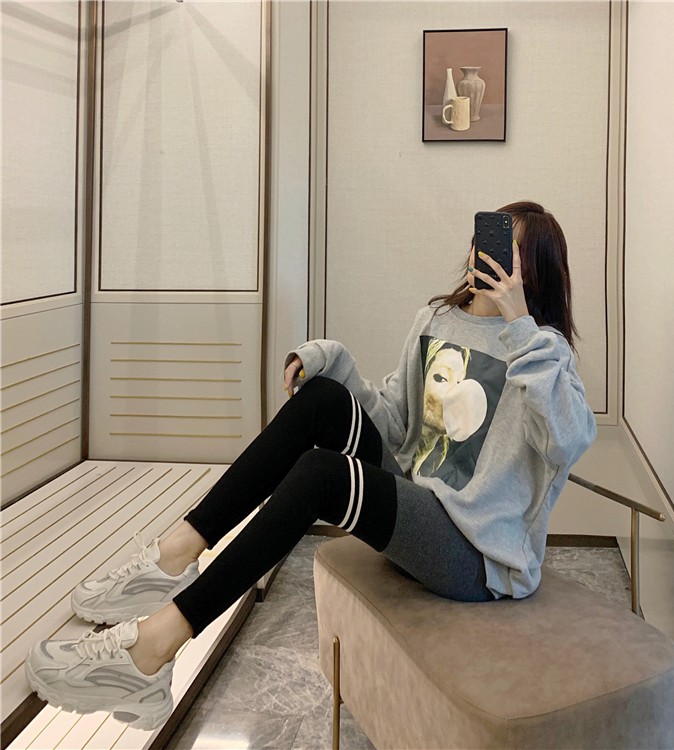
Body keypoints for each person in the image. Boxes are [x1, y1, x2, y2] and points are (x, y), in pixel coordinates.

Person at [25, 201, 597, 730]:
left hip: (473, 554)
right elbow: (395, 425)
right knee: (322, 397)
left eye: (509, 252)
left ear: (533, 272)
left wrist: (520, 327)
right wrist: (331, 362)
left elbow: (569, 440)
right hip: (419, 504)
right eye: (486, 241)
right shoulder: (436, 320)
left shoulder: (543, 351)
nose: (488, 257)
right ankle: (172, 558)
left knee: (324, 475)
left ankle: (152, 651)